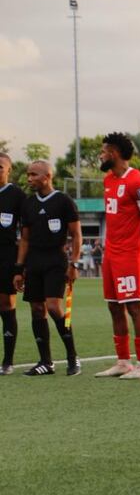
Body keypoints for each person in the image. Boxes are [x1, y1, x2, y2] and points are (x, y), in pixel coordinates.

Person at [94, 132, 140, 379]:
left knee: (134, 307)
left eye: (104, 150)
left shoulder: (137, 182)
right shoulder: (109, 180)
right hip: (111, 254)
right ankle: (123, 362)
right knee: (113, 306)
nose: (101, 155)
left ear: (115, 153)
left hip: (130, 255)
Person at [13, 161, 82, 376]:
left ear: (47, 176)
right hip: (34, 262)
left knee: (53, 307)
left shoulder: (64, 201)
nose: (29, 178)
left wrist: (74, 263)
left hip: (56, 260)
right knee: (36, 309)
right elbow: (24, 239)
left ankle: (73, 358)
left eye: (33, 174)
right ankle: (46, 362)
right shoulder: (28, 204)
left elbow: (76, 234)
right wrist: (19, 268)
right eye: (28, 174)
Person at [0, 153, 26, 374]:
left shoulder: (16, 195)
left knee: (6, 306)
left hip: (6, 256)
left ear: (9, 169)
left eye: (0, 167)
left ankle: (7, 361)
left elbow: (26, 232)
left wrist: (21, 265)